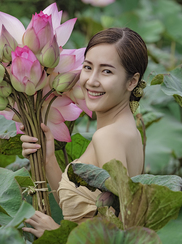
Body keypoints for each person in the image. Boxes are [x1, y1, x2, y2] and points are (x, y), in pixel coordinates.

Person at [20, 27, 148, 237]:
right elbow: (85, 211)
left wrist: (54, 234)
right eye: (88, 67)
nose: (91, 80)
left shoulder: (108, 136)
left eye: (106, 71)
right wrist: (48, 158)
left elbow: (115, 233)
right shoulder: (124, 130)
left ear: (132, 81)